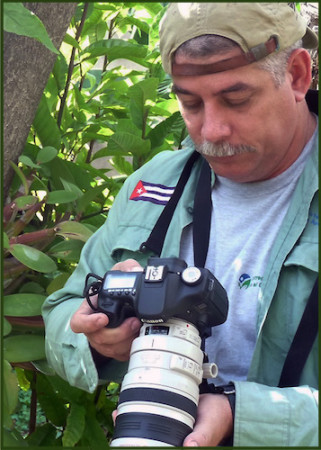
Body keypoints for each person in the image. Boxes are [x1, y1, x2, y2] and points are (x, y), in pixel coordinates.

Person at [42, 3, 318, 446]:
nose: (211, 130)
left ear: (298, 75)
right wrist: (97, 337)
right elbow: (62, 310)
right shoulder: (152, 184)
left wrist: (243, 417)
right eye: (189, 103)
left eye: (236, 99)